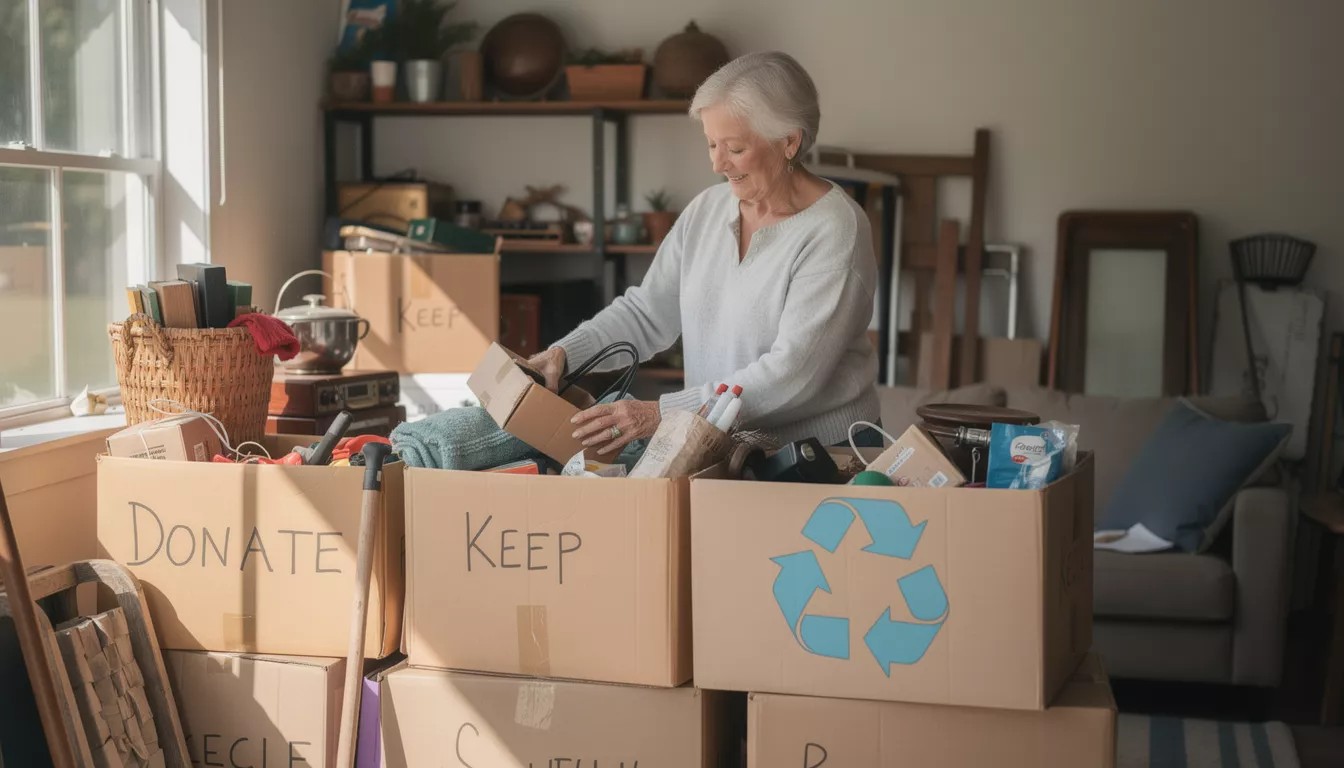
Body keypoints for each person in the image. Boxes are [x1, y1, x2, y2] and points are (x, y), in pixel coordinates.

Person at [527, 51, 882, 456]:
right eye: (711, 144)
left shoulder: (835, 230)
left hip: (824, 451)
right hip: (719, 438)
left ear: (789, 141)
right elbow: (647, 312)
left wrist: (663, 412)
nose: (717, 164)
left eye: (733, 148)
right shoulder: (707, 209)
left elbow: (792, 375)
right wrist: (566, 353)